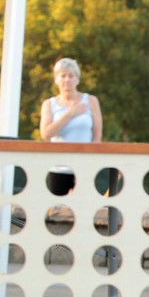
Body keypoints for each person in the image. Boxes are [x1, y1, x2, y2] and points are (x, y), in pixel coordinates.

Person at [40, 57, 103, 195]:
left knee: (84, 204)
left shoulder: (91, 100)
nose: (67, 80)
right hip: (58, 167)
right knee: (56, 207)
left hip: (84, 166)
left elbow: (97, 135)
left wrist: (92, 161)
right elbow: (46, 134)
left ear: (77, 79)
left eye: (71, 76)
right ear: (56, 79)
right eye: (63, 76)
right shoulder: (49, 104)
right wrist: (69, 114)